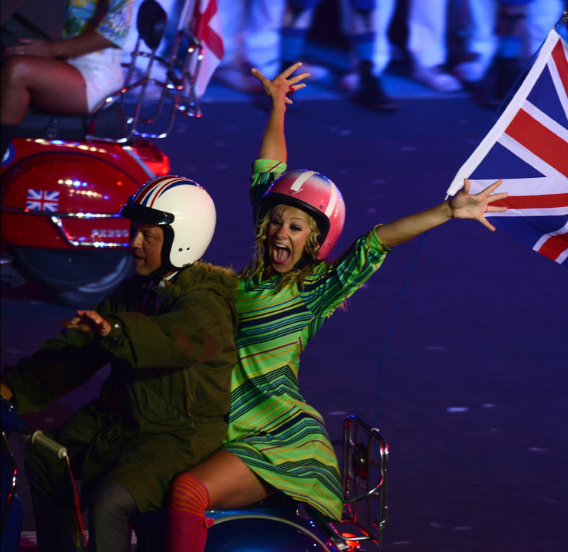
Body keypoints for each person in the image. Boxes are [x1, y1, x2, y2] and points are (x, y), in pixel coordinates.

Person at [160, 62, 508, 552]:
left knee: (187, 492)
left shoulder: (316, 288)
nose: (282, 231)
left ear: (315, 241)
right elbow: (270, 175)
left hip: (275, 440)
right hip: (216, 420)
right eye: (276, 222)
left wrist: (446, 212)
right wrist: (278, 107)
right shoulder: (252, 277)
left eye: (297, 228)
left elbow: (376, 241)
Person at [0, 176, 239, 552]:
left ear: (183, 239)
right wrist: (13, 389)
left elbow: (167, 339)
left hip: (177, 436)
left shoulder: (206, 305)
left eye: (148, 236)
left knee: (110, 499)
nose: (134, 243)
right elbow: (78, 351)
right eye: (135, 232)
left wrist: (115, 331)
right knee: (46, 457)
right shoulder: (137, 291)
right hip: (124, 421)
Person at [1, 0, 134, 161]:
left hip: (93, 74)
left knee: (17, 70)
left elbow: (113, 33)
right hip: (65, 63)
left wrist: (50, 50)